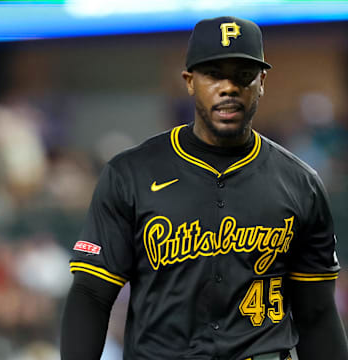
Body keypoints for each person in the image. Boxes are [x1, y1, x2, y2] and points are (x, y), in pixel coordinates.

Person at [60, 16, 348, 360]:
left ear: (262, 82)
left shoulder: (301, 183)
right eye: (214, 74)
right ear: (190, 81)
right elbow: (92, 293)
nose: (228, 87)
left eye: (243, 75)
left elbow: (316, 313)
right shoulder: (131, 173)